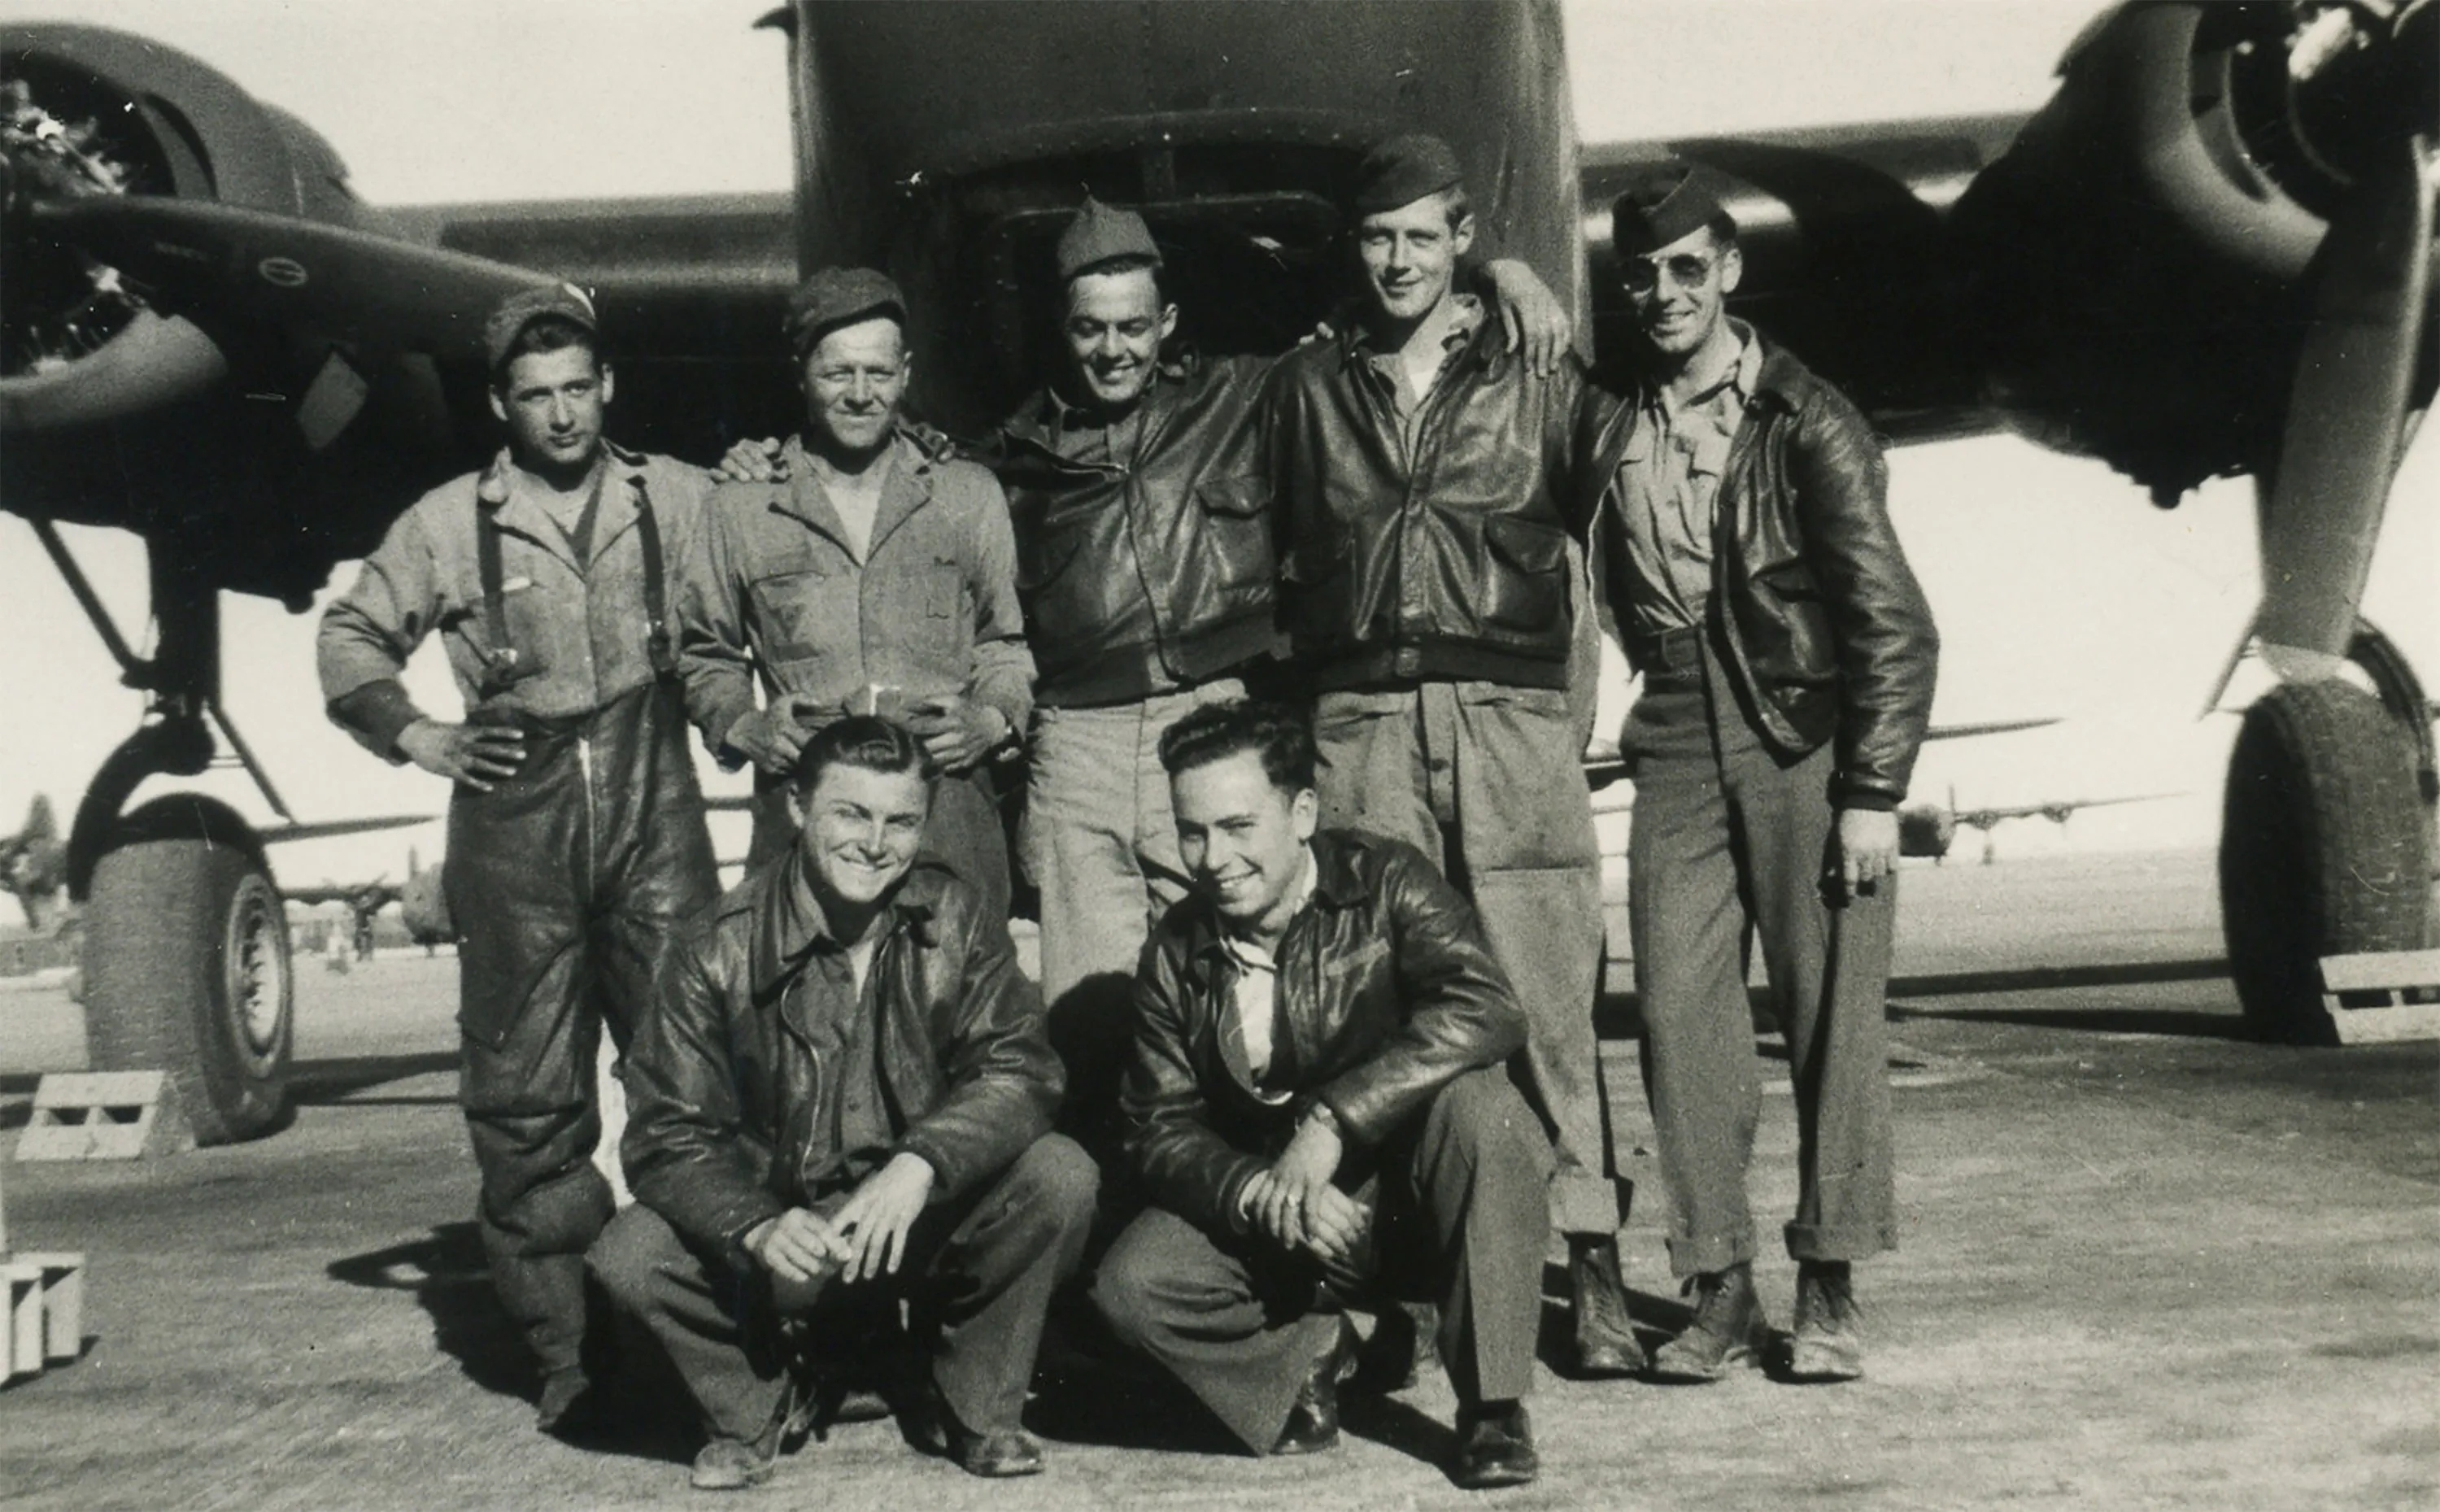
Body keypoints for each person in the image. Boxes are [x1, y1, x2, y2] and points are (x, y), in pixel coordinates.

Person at [717, 203, 1570, 1164]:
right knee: (1095, 1014)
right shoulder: (1010, 454)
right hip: (1077, 743)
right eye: (1090, 328)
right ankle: (1118, 1239)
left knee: (1249, 982)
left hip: (1214, 721)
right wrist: (763, 452)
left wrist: (1503, 273)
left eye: (1133, 326)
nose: (1112, 349)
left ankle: (1281, 1198)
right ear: (1062, 329)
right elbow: (889, 455)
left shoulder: (1246, 398)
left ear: (1166, 325)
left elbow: (1381, 321)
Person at [1262, 133, 1636, 1375]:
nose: (1400, 260)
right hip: (1363, 723)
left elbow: (1625, 452)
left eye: (1425, 235)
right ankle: (1407, 1286)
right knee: (1381, 1007)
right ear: (1351, 250)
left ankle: (1593, 1268)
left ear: (1464, 234)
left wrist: (1541, 286)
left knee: (1543, 994)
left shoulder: (1534, 365)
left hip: (1506, 716)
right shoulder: (1306, 386)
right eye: (1378, 238)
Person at [316, 284, 720, 1431]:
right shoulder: (448, 522)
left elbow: (789, 531)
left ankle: (704, 1320)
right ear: (502, 404)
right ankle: (569, 1353)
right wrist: (417, 731)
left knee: (695, 1074)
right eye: (534, 396)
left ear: (608, 388)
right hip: (513, 820)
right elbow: (349, 637)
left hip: (656, 807)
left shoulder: (678, 498)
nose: (560, 415)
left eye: (577, 389)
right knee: (528, 1098)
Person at [1589, 169, 1937, 1383]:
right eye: (1644, 272)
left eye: (1690, 266)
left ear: (1730, 270)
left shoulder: (1806, 417)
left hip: (1802, 727)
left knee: (1831, 1010)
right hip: (1676, 721)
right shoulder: (1607, 415)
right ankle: (1718, 1284)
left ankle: (1830, 1282)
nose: (1666, 292)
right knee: (1680, 1015)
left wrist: (1873, 791)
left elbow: (1893, 622)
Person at [590, 717, 1096, 1491]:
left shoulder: (956, 915)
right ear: (797, 809)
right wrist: (753, 1223)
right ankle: (755, 1403)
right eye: (850, 814)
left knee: (1060, 1174)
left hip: (913, 1224)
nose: (876, 842)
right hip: (788, 1240)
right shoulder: (713, 946)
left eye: (901, 821)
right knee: (631, 1252)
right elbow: (666, 1134)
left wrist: (922, 1161)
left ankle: (971, 1399)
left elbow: (1022, 1067)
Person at [1091, 699, 1551, 1490]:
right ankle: (1312, 1353)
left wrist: (1334, 1118)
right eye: (1192, 830)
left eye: (1239, 826)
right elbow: (1157, 1127)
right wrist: (1255, 1189)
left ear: (1302, 811)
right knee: (1132, 1285)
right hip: (1287, 1216)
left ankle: (1494, 1403)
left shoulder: (1385, 880)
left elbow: (1488, 1006)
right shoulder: (1174, 951)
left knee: (1486, 1109)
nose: (1212, 858)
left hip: (1411, 1201)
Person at [674, 268, 1032, 920]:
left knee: (963, 1004)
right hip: (805, 814)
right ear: (802, 375)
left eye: (879, 373)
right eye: (839, 374)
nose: (862, 394)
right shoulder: (741, 508)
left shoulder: (966, 494)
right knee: (809, 1006)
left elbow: (1004, 642)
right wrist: (740, 723)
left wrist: (993, 719)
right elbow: (705, 652)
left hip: (946, 810)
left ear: (907, 374)